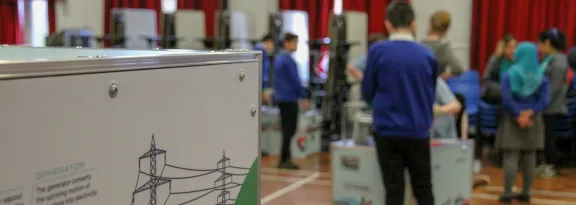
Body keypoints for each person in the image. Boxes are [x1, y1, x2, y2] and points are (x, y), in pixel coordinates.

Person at [361, 1, 437, 204]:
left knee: (393, 191)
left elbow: (367, 91)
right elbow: (430, 94)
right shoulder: (427, 55)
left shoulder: (378, 52)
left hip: (387, 130)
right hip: (417, 130)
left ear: (387, 24)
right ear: (413, 23)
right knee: (423, 189)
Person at [497, 42, 550, 204]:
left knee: (510, 156)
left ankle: (507, 193)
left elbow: (506, 99)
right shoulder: (542, 78)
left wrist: (519, 114)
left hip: (512, 120)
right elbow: (545, 100)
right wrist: (530, 112)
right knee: (529, 156)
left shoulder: (509, 75)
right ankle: (526, 192)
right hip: (533, 121)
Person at [273, 33, 309, 170]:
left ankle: (285, 158)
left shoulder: (279, 59)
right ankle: (284, 159)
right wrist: (304, 96)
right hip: (289, 99)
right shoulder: (288, 60)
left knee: (287, 130)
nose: (296, 45)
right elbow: (296, 81)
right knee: (289, 129)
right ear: (286, 43)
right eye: (294, 42)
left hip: (282, 98)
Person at [536, 28, 569, 178]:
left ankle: (550, 165)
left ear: (548, 43)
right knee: (543, 135)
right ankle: (542, 163)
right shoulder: (548, 59)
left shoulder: (559, 62)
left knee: (548, 136)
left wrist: (539, 103)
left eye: (540, 44)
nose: (538, 48)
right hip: (544, 104)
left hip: (551, 105)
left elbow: (553, 88)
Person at [421, 10, 464, 79]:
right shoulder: (443, 47)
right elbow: (458, 68)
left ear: (430, 24)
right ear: (446, 28)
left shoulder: (420, 45)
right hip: (435, 87)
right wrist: (440, 78)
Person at [346, 33, 387, 103]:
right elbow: (350, 67)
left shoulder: (388, 59)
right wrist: (364, 78)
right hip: (371, 96)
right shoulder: (367, 59)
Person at [482, 35, 518, 104]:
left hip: (514, 92)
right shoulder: (495, 60)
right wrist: (503, 88)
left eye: (514, 47)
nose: (513, 50)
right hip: (496, 91)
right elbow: (486, 80)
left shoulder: (518, 61)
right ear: (503, 48)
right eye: (509, 47)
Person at [254, 34, 275, 104]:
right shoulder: (261, 53)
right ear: (267, 42)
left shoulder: (256, 51)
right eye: (272, 44)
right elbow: (264, 74)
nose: (272, 47)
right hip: (258, 87)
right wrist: (265, 89)